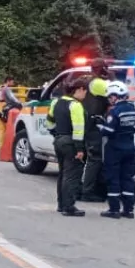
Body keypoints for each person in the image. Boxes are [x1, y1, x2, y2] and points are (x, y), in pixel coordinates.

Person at [98, 81, 135, 219]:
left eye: (110, 97)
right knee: (127, 178)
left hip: (115, 149)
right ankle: (128, 210)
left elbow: (108, 131)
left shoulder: (114, 111)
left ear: (116, 96)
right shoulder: (134, 110)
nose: (109, 100)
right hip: (130, 147)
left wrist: (100, 126)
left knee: (113, 178)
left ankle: (114, 210)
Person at [46, 78, 88, 216]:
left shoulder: (56, 102)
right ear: (80, 89)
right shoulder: (75, 105)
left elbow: (49, 123)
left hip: (59, 140)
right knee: (72, 175)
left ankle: (61, 204)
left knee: (63, 173)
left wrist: (56, 134)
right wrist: (80, 149)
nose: (85, 94)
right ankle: (69, 206)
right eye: (85, 91)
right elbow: (78, 129)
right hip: (71, 142)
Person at [80, 58, 113, 203]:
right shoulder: (98, 83)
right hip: (94, 124)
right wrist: (112, 76)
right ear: (101, 68)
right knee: (95, 158)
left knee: (89, 158)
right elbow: (114, 93)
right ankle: (87, 191)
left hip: (87, 122)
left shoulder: (87, 80)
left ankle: (88, 188)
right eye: (105, 68)